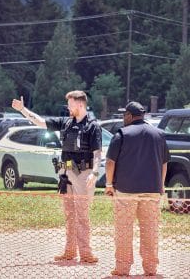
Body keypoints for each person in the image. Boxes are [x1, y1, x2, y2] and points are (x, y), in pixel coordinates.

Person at [12, 91, 102, 263]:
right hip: (66, 172)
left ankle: (86, 253)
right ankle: (69, 251)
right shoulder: (66, 123)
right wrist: (23, 110)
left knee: (82, 215)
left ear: (80, 104)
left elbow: (98, 153)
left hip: (83, 174)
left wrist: (95, 172)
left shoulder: (92, 126)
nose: (67, 107)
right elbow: (40, 122)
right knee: (69, 214)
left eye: (70, 104)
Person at [105, 101, 169, 276]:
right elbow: (164, 164)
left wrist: (109, 184)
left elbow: (110, 162)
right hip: (152, 191)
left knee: (124, 230)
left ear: (129, 116)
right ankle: (150, 268)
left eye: (124, 115)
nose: (123, 118)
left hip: (126, 191)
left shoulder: (122, 134)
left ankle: (123, 268)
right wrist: (161, 186)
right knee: (150, 230)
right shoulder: (159, 134)